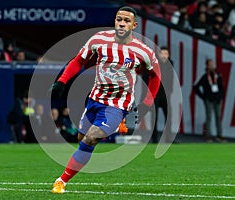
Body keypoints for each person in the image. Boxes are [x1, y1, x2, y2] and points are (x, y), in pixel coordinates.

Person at [51, 6, 161, 194]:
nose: (122, 23)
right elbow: (79, 60)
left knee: (90, 139)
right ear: (115, 21)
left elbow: (156, 77)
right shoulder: (99, 39)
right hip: (94, 99)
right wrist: (62, 81)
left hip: (118, 104)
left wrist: (146, 104)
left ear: (134, 25)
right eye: (119, 19)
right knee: (81, 138)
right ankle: (113, 126)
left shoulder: (144, 52)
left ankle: (61, 180)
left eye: (126, 20)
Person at [193, 59, 225, 142]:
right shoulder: (205, 76)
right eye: (210, 64)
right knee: (209, 117)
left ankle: (219, 135)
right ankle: (208, 136)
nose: (212, 66)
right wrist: (203, 97)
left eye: (212, 64)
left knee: (218, 117)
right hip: (209, 100)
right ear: (207, 66)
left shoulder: (217, 75)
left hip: (217, 100)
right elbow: (196, 87)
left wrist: (221, 97)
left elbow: (222, 87)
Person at [152, 46, 174, 143]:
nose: (164, 56)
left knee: (169, 116)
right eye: (162, 53)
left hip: (166, 94)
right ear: (159, 54)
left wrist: (170, 91)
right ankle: (154, 139)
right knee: (154, 118)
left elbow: (171, 79)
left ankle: (168, 138)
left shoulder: (171, 64)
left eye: (166, 54)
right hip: (155, 94)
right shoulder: (154, 64)